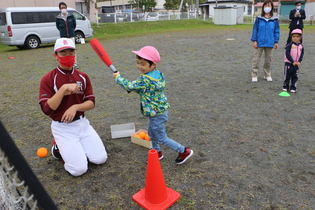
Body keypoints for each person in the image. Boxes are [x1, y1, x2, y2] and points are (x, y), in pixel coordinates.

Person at [112, 46, 193, 164]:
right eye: (138, 63)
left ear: (153, 64)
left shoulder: (146, 79)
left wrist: (118, 78)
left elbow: (129, 86)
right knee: (151, 133)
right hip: (158, 112)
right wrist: (137, 89)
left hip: (157, 114)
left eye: (143, 64)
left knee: (162, 138)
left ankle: (184, 151)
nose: (139, 66)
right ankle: (157, 152)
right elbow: (147, 89)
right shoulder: (158, 74)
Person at [38, 38, 107, 176]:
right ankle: (57, 147)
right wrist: (63, 90)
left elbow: (91, 103)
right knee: (79, 170)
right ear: (55, 56)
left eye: (71, 52)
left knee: (100, 159)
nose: (68, 56)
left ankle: (74, 148)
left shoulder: (83, 77)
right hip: (63, 127)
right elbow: (47, 109)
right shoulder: (48, 79)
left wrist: (76, 107)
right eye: (63, 53)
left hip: (82, 124)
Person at [250, 0, 280, 83]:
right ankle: (254, 74)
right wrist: (254, 40)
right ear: (263, 7)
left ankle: (267, 74)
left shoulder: (275, 19)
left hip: (270, 42)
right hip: (259, 42)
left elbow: (276, 31)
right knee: (256, 59)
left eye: (269, 6)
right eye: (266, 5)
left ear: (272, 7)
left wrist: (276, 41)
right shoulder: (259, 18)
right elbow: (255, 30)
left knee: (268, 60)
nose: (267, 7)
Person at [56, 2, 79, 68]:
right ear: (60, 9)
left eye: (64, 7)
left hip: (71, 35)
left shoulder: (71, 16)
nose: (63, 9)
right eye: (61, 7)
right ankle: (65, 63)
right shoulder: (58, 18)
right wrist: (62, 31)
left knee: (72, 50)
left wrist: (71, 31)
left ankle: (74, 63)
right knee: (64, 51)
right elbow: (58, 26)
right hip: (63, 36)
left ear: (66, 8)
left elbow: (74, 25)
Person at [283, 29, 304, 93]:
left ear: (300, 37)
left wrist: (299, 61)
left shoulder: (301, 46)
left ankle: (293, 87)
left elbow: (302, 54)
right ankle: (285, 86)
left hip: (296, 64)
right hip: (289, 64)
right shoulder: (289, 45)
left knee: (295, 76)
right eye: (294, 36)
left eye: (297, 37)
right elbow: (287, 54)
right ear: (291, 37)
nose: (295, 38)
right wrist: (292, 61)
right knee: (287, 76)